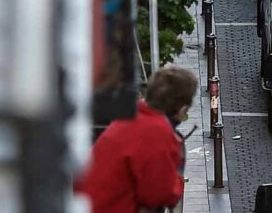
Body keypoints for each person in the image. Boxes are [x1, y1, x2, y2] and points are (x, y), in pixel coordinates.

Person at [74, 66, 198, 213]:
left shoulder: (130, 117)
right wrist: (178, 181)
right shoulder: (157, 131)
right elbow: (158, 195)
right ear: (182, 109)